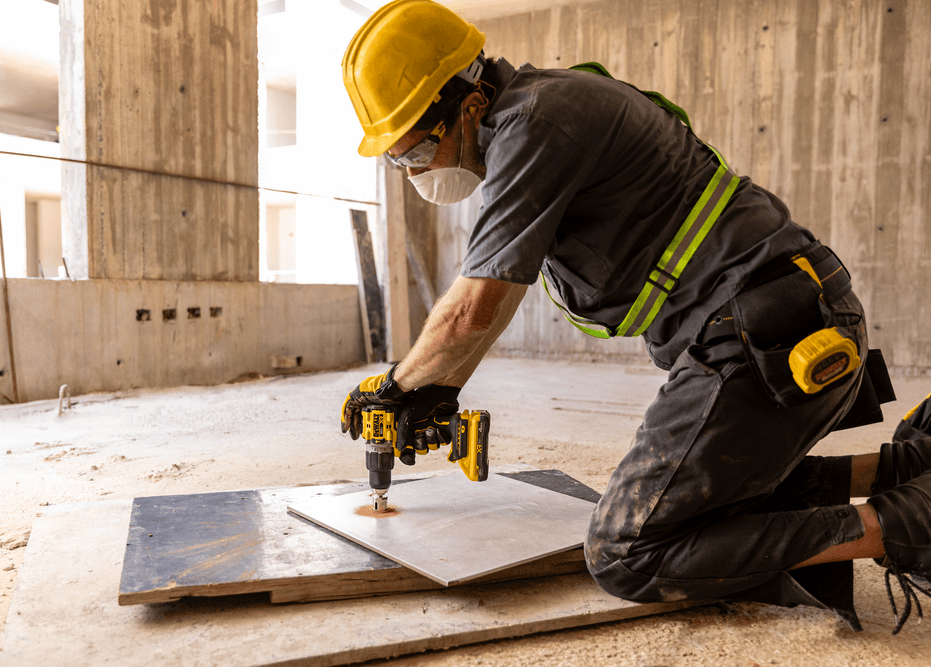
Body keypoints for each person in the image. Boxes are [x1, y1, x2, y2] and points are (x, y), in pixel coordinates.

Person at [338, 0, 931, 633]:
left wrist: (399, 384)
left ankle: (907, 526)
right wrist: (440, 386)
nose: (418, 170)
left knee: (628, 553)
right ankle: (910, 469)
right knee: (711, 497)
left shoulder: (535, 125)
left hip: (765, 337)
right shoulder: (537, 115)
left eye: (417, 149)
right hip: (778, 314)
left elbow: (474, 304)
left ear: (470, 100)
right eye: (398, 162)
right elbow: (503, 291)